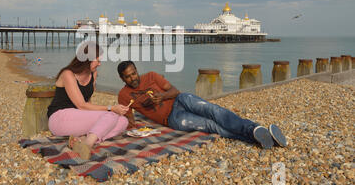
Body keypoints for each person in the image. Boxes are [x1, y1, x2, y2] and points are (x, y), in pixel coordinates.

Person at [117, 61, 287, 149]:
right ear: (122, 79)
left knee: (213, 110)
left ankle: (254, 129)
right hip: (173, 118)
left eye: (134, 73)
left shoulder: (152, 76)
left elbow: (175, 91)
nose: (133, 78)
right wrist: (127, 121)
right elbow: (130, 121)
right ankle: (258, 137)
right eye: (128, 76)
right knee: (211, 125)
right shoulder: (123, 95)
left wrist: (162, 96)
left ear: (137, 70)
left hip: (180, 99)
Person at [47, 42, 129, 160]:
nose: (99, 64)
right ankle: (88, 144)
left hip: (78, 119)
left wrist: (111, 111)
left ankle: (83, 140)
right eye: (97, 60)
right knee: (111, 114)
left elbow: (88, 104)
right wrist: (111, 108)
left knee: (123, 121)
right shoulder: (68, 74)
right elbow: (81, 105)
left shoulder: (93, 74)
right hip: (60, 119)